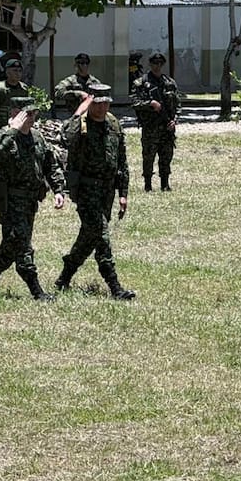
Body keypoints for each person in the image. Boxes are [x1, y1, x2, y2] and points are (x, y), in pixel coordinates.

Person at [0, 97, 66, 300]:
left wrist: (58, 190)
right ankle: (37, 291)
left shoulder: (36, 137)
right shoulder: (2, 136)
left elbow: (49, 164)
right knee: (22, 244)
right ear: (14, 113)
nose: (32, 118)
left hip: (30, 201)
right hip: (10, 201)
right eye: (27, 114)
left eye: (34, 113)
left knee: (11, 245)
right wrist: (13, 131)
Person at [54, 84, 135, 300]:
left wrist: (123, 192)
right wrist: (80, 111)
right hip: (87, 189)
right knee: (101, 236)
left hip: (107, 190)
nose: (102, 108)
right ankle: (115, 287)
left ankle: (64, 276)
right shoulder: (80, 124)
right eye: (97, 103)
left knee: (89, 237)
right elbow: (64, 137)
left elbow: (122, 160)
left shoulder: (113, 124)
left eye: (106, 103)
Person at [131, 51, 181, 191]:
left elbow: (178, 104)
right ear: (150, 64)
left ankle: (165, 184)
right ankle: (148, 184)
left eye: (160, 63)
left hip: (166, 127)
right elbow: (135, 103)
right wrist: (150, 103)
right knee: (148, 156)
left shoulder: (169, 83)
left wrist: (174, 120)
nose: (157, 66)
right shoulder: (141, 82)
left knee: (166, 156)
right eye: (154, 63)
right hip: (150, 127)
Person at [0, 57, 30, 135]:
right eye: (14, 70)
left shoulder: (24, 89)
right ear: (7, 72)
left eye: (20, 71)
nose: (18, 73)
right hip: (1, 129)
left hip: (18, 128)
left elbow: (26, 109)